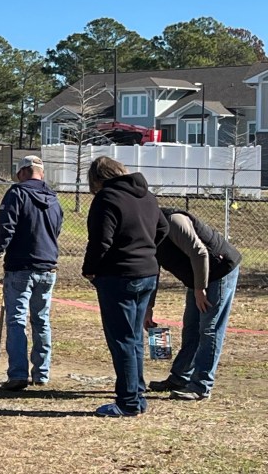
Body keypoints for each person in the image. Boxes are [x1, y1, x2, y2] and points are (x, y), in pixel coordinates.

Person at [82, 156, 168, 417]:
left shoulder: (107, 198)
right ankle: (136, 391)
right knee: (134, 338)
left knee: (122, 339)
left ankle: (129, 401)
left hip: (118, 276)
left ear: (98, 179)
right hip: (147, 272)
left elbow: (101, 240)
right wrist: (145, 248)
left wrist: (90, 268)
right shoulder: (147, 196)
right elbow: (163, 228)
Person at [147, 207, 240, 401]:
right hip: (198, 277)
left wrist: (200, 289)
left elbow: (200, 253)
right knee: (191, 328)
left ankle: (201, 386)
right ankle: (180, 378)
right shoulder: (145, 231)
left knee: (209, 328)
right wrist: (149, 308)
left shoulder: (174, 221)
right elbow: (152, 270)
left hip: (219, 270)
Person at [0, 155, 62, 391]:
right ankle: (41, 373)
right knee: (41, 320)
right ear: (41, 173)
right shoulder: (53, 198)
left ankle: (18, 374)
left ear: (22, 172)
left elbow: (6, 225)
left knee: (17, 320)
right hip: (47, 266)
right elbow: (57, 228)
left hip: (20, 267)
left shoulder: (17, 193)